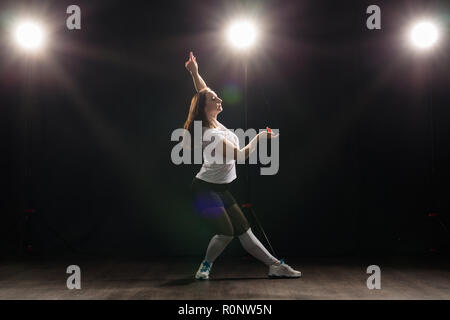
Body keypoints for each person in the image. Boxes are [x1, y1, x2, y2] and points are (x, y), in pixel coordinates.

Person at [184, 51, 301, 279]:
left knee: (244, 230)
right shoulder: (210, 134)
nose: (219, 100)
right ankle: (205, 267)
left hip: (220, 188)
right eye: (214, 99)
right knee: (226, 233)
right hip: (204, 188)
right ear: (205, 107)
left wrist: (195, 72)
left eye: (218, 97)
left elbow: (202, 91)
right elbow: (240, 156)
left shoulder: (212, 121)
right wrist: (259, 138)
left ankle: (275, 264)